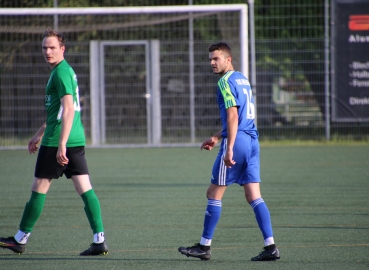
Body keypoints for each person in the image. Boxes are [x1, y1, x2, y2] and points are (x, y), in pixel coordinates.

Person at [0, 29, 108, 256]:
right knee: (84, 188)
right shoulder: (62, 72)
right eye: (44, 48)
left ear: (62, 49)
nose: (48, 51)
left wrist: (61, 144)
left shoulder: (61, 73)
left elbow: (68, 109)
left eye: (52, 47)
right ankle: (99, 240)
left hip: (59, 141)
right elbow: (57, 112)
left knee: (39, 188)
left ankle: (20, 239)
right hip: (73, 138)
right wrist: (39, 133)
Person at [178, 42, 280, 261]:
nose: (212, 63)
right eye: (210, 59)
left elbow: (233, 117)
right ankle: (271, 247)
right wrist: (216, 137)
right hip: (253, 141)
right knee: (254, 196)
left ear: (228, 59)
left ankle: (204, 247)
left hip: (239, 142)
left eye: (216, 59)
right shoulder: (242, 79)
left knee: (213, 193)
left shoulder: (224, 82)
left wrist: (229, 147)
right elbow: (240, 117)